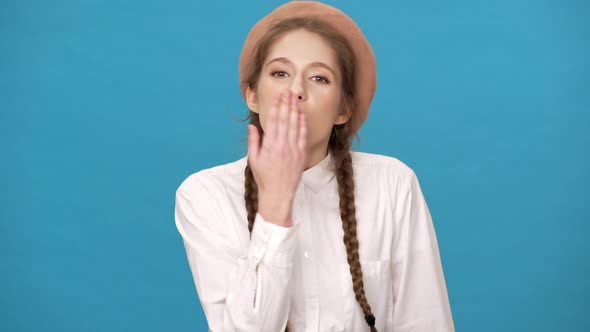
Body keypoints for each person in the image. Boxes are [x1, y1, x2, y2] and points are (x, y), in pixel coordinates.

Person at [174, 1, 455, 331]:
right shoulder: (205, 194)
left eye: (319, 78)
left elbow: (426, 322)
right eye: (280, 73)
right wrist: (276, 206)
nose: (295, 90)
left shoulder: (393, 183)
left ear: (343, 110)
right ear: (252, 96)